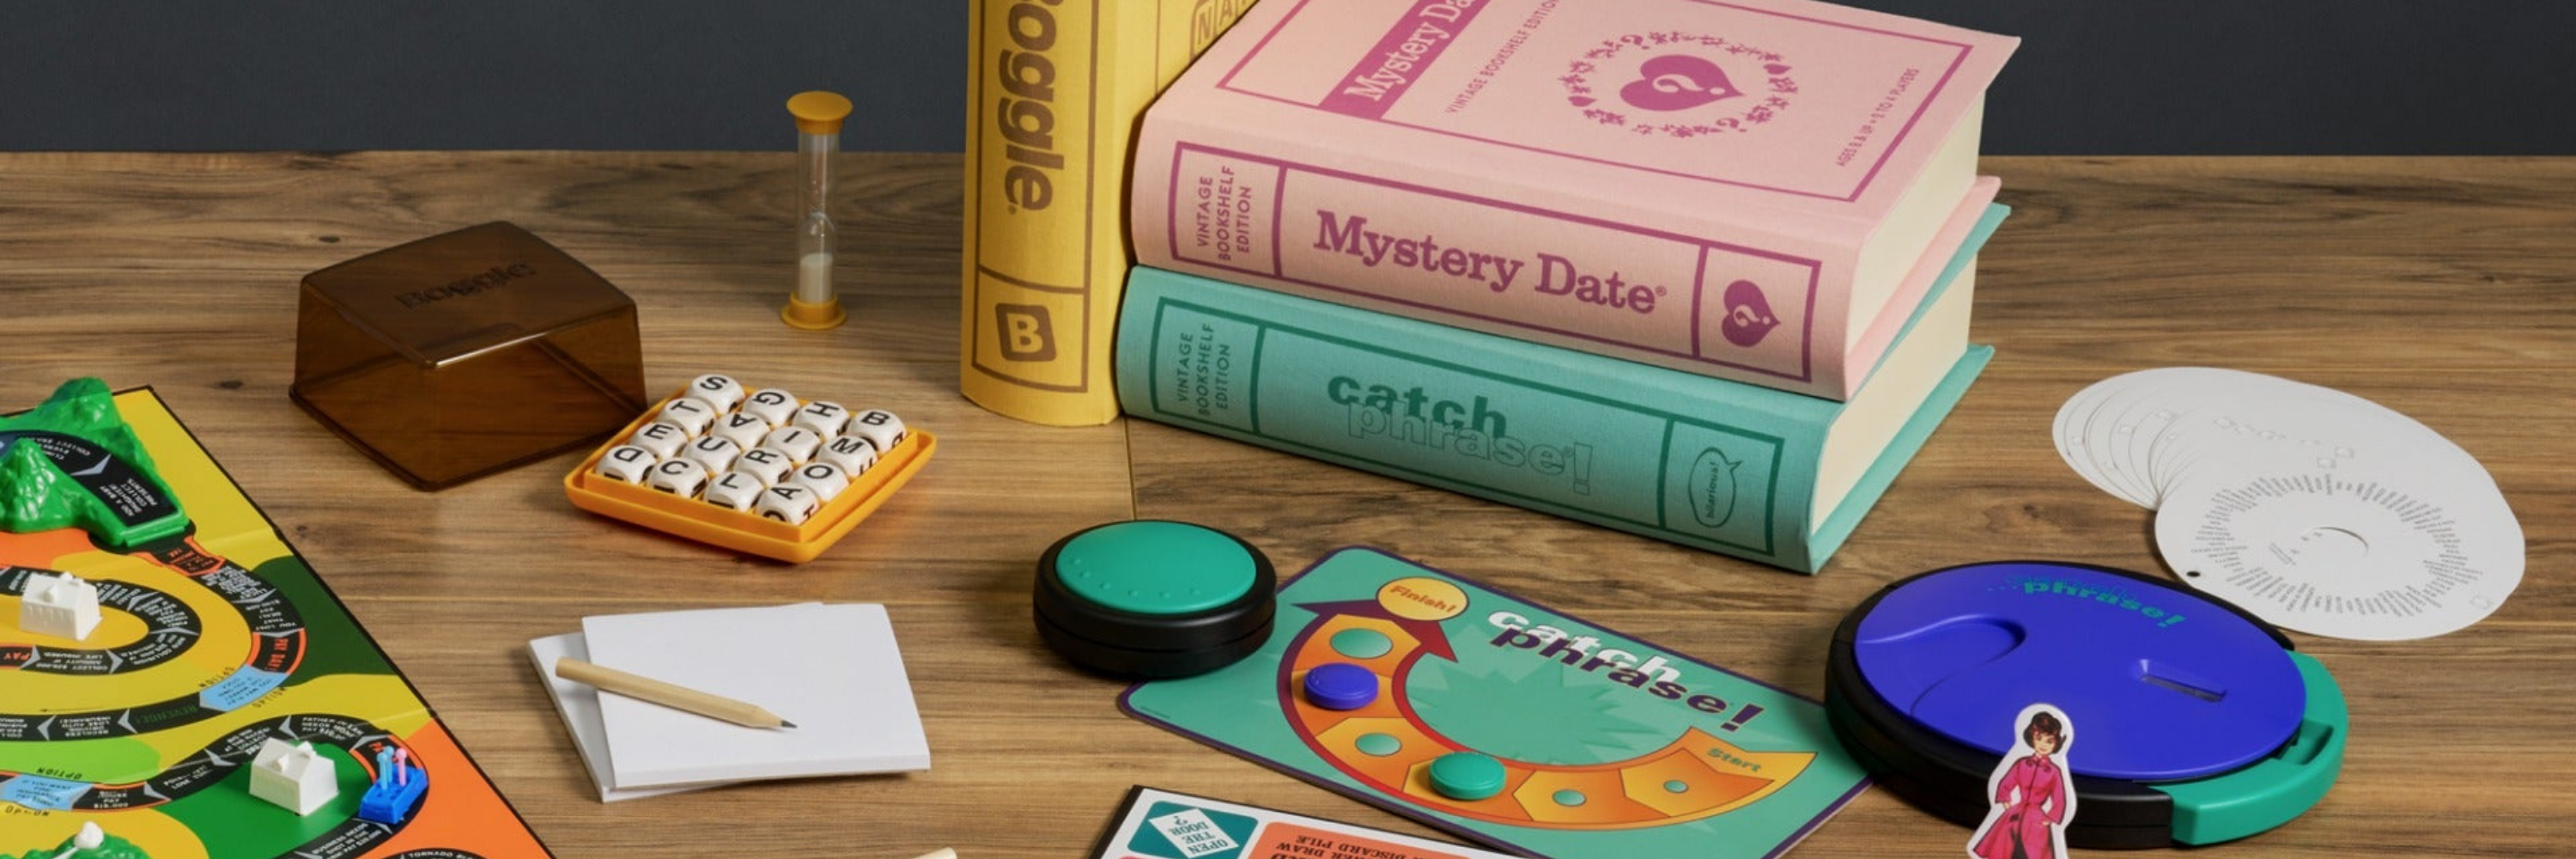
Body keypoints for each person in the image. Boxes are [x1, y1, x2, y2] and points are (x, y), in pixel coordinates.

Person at [1969, 707, 2073, 859]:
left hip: (2037, 819)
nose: (2043, 744)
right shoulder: (2022, 763)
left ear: (2055, 744)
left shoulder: (2054, 772)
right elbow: (2007, 782)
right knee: (2005, 849)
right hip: (2014, 815)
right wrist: (2005, 799)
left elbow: (2059, 797)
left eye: (2049, 741)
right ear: (2032, 737)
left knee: (2032, 852)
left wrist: (2050, 818)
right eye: (2039, 738)